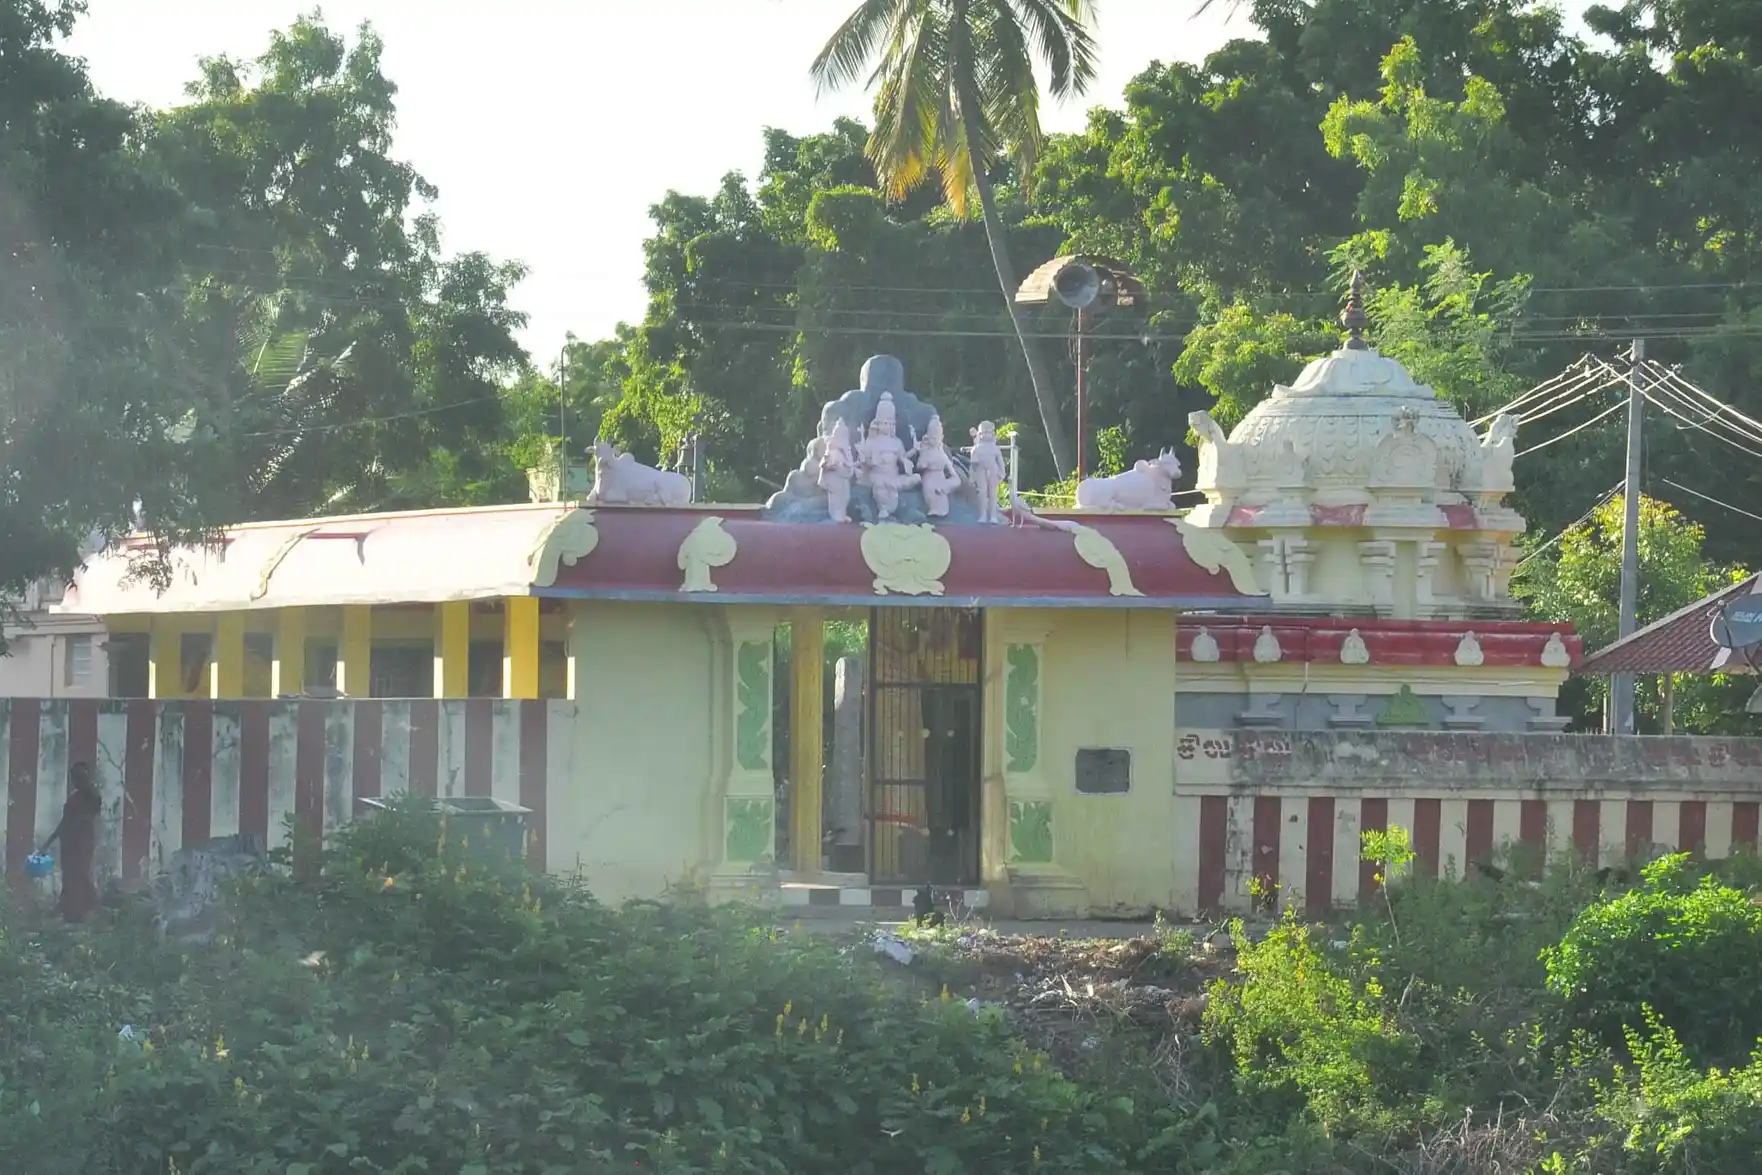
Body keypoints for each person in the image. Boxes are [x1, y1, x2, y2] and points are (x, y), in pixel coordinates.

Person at [40, 761, 101, 923]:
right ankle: (68, 910)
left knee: (80, 875)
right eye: (73, 776)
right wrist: (49, 841)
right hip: (69, 843)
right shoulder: (75, 798)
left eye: (77, 776)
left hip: (82, 843)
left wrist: (86, 780)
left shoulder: (91, 798)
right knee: (69, 876)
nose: (74, 780)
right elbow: (64, 822)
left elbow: (94, 803)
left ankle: (89, 909)